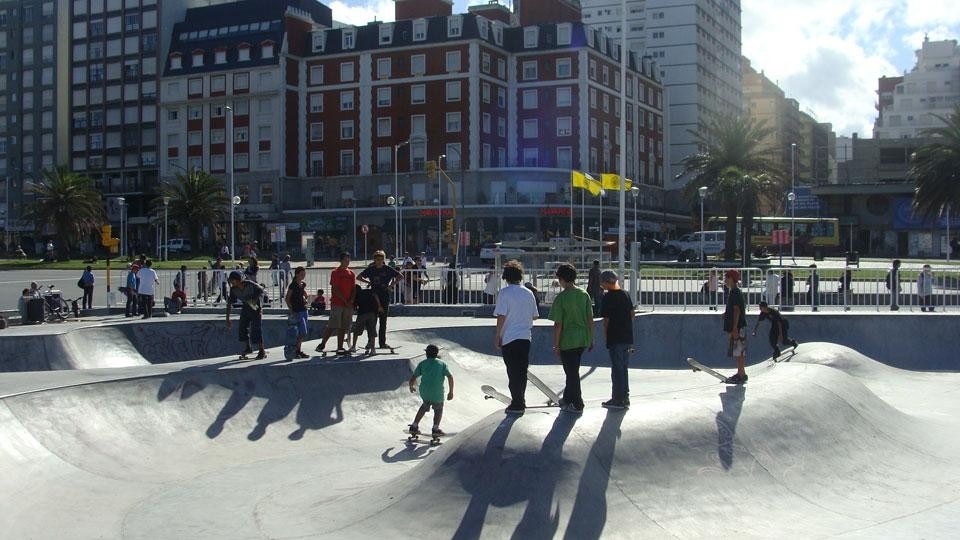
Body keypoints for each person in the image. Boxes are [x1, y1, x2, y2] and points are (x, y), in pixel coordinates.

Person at [493, 259, 539, 414]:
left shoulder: (504, 293)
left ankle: (517, 402)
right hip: (525, 337)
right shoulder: (529, 293)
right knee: (522, 370)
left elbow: (501, 316)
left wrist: (497, 336)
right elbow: (535, 316)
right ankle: (521, 399)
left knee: (512, 371)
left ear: (506, 277)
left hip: (509, 338)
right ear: (520, 276)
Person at [549, 263, 594, 414]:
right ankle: (567, 398)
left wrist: (556, 345)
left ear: (561, 279)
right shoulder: (584, 294)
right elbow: (590, 319)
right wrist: (591, 338)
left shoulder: (561, 298)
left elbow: (558, 325)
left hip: (568, 341)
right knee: (572, 370)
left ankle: (578, 403)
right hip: (582, 339)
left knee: (572, 373)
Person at [598, 270, 634, 409]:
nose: (601, 285)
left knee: (617, 369)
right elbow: (632, 314)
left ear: (607, 282)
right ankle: (625, 397)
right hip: (627, 336)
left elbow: (606, 320)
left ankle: (617, 398)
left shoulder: (607, 298)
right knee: (624, 368)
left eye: (602, 282)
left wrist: (606, 336)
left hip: (615, 337)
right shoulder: (625, 294)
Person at [407, 344, 454, 437]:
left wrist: (411, 386)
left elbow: (413, 377)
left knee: (424, 406)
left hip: (424, 391)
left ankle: (414, 425)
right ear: (436, 354)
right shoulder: (442, 364)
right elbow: (450, 377)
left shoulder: (422, 363)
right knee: (438, 409)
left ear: (426, 354)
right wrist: (451, 391)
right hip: (437, 392)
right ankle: (435, 428)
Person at [358, 250, 401, 349]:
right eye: (377, 259)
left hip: (384, 296)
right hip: (373, 297)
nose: (379, 261)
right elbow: (359, 277)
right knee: (372, 321)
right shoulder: (371, 269)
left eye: (381, 259)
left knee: (383, 321)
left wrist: (391, 285)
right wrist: (368, 282)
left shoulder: (387, 269)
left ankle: (382, 343)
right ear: (374, 260)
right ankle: (370, 342)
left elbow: (400, 276)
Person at [316, 251, 356, 354]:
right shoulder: (335, 272)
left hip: (347, 305)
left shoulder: (351, 274)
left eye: (348, 260)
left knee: (343, 326)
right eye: (345, 260)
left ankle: (340, 347)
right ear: (341, 261)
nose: (347, 262)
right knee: (333, 324)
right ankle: (322, 343)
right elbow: (335, 289)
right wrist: (344, 300)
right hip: (337, 303)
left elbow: (353, 289)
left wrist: (351, 301)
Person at [225, 270, 267, 360]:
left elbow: (261, 289)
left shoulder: (249, 284)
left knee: (256, 329)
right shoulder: (233, 290)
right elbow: (229, 304)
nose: (231, 283)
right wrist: (227, 318)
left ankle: (262, 350)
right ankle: (248, 348)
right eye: (230, 281)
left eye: (233, 281)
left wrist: (255, 299)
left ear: (238, 280)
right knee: (242, 327)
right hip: (246, 307)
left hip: (256, 308)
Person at [723, 269, 748, 384]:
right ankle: (741, 373)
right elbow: (734, 309)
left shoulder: (735, 292)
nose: (725, 281)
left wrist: (734, 328)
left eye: (726, 278)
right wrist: (726, 314)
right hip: (738, 326)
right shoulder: (734, 291)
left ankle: (741, 374)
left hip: (738, 327)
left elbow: (737, 310)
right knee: (738, 351)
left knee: (739, 351)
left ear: (732, 279)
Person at [284, 266, 310, 359]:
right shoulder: (293, 285)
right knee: (300, 332)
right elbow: (287, 298)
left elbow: (304, 294)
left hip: (304, 310)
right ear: (297, 274)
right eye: (301, 274)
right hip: (297, 311)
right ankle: (296, 351)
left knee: (303, 332)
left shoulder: (302, 284)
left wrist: (305, 298)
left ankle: (298, 350)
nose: (303, 276)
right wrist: (291, 310)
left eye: (304, 274)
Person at [350, 284, 382, 354]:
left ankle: (353, 346)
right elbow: (375, 295)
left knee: (356, 331)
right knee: (372, 331)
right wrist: (379, 306)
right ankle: (373, 349)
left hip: (362, 314)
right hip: (372, 313)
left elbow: (354, 307)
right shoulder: (367, 291)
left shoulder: (356, 296)